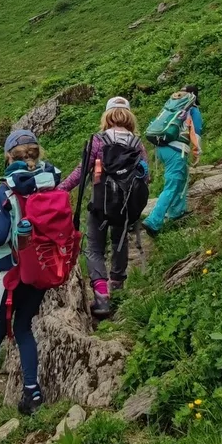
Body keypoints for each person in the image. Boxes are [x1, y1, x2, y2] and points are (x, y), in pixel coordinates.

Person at [0, 128, 62, 414]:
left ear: (8, 156)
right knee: (23, 326)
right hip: (43, 266)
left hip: (13, 270)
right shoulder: (50, 180)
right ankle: (32, 393)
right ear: (38, 152)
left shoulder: (7, 187)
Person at [62, 96, 149, 321]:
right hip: (125, 206)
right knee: (119, 243)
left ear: (107, 116)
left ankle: (101, 296)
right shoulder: (136, 143)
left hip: (100, 203)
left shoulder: (98, 141)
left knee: (94, 247)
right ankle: (117, 286)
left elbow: (81, 172)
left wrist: (60, 189)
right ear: (129, 116)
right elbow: (145, 175)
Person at [142, 85, 204, 234]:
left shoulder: (169, 108)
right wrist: (196, 152)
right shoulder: (191, 110)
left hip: (162, 148)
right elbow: (196, 132)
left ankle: (177, 213)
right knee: (172, 184)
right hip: (177, 150)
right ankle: (153, 220)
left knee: (180, 181)